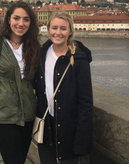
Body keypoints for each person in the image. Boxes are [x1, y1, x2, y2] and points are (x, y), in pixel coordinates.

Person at [0, 1, 41, 164]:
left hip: (27, 115)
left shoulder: (33, 46)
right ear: (8, 20)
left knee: (19, 160)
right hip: (3, 115)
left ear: (31, 23)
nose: (21, 23)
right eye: (17, 18)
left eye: (26, 19)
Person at [35, 11, 93, 164]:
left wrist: (81, 139)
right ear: (48, 29)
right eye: (54, 28)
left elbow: (85, 103)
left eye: (63, 28)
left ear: (70, 31)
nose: (58, 33)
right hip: (46, 127)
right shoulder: (41, 54)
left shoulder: (79, 60)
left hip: (69, 130)